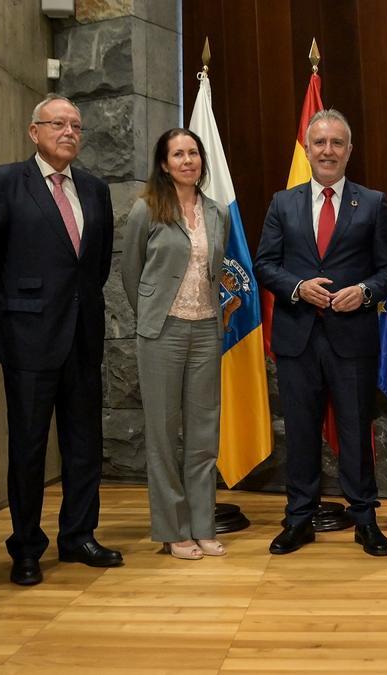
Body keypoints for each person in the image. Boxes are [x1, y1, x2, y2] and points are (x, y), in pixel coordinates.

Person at [0, 94, 120, 586]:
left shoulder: (96, 190)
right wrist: (10, 322)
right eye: (57, 124)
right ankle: (26, 547)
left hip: (82, 338)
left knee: (84, 445)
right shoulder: (3, 182)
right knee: (29, 448)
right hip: (27, 339)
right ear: (33, 131)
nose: (69, 132)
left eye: (76, 125)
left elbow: (94, 269)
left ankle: (79, 536)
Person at [254, 109, 387, 556]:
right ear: (308, 148)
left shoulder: (373, 203)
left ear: (349, 151)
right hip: (298, 338)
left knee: (356, 431)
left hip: (352, 338)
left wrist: (364, 290)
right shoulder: (283, 202)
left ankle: (365, 520)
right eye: (320, 143)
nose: (328, 151)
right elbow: (264, 264)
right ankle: (299, 520)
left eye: (337, 143)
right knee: (300, 432)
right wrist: (298, 288)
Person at [120, 129, 230, 560]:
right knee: (164, 435)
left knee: (204, 434)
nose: (188, 160)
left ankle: (203, 525)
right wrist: (152, 312)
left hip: (206, 329)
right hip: (162, 332)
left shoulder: (217, 212)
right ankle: (172, 530)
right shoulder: (146, 210)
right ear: (164, 164)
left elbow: (217, 269)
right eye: (178, 154)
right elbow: (132, 274)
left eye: (193, 153)